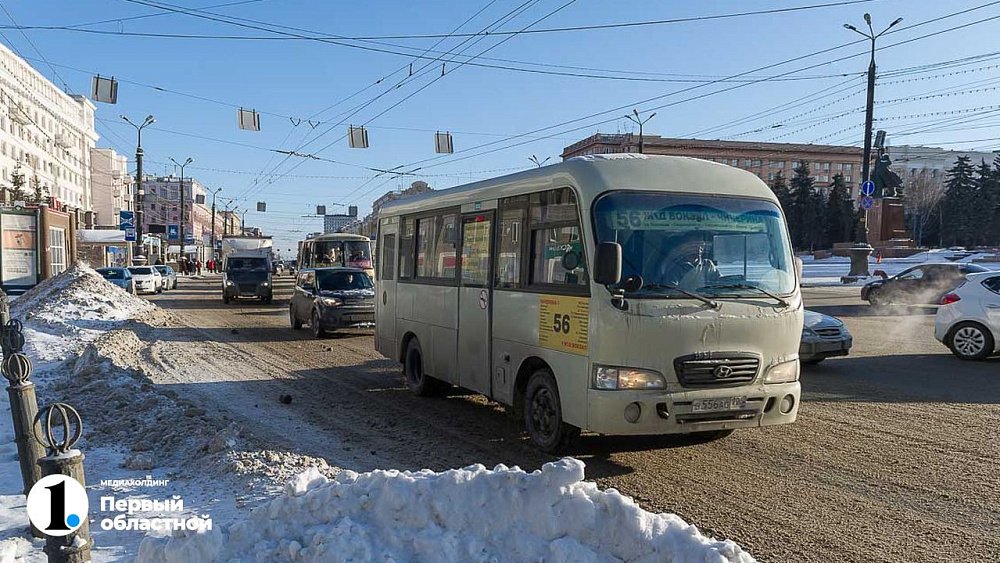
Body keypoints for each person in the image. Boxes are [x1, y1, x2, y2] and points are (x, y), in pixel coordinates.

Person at [655, 233, 720, 291]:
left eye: (701, 245)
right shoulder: (676, 267)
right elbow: (671, 291)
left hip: (709, 299)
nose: (698, 248)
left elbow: (719, 283)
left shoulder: (707, 264)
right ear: (684, 248)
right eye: (693, 245)